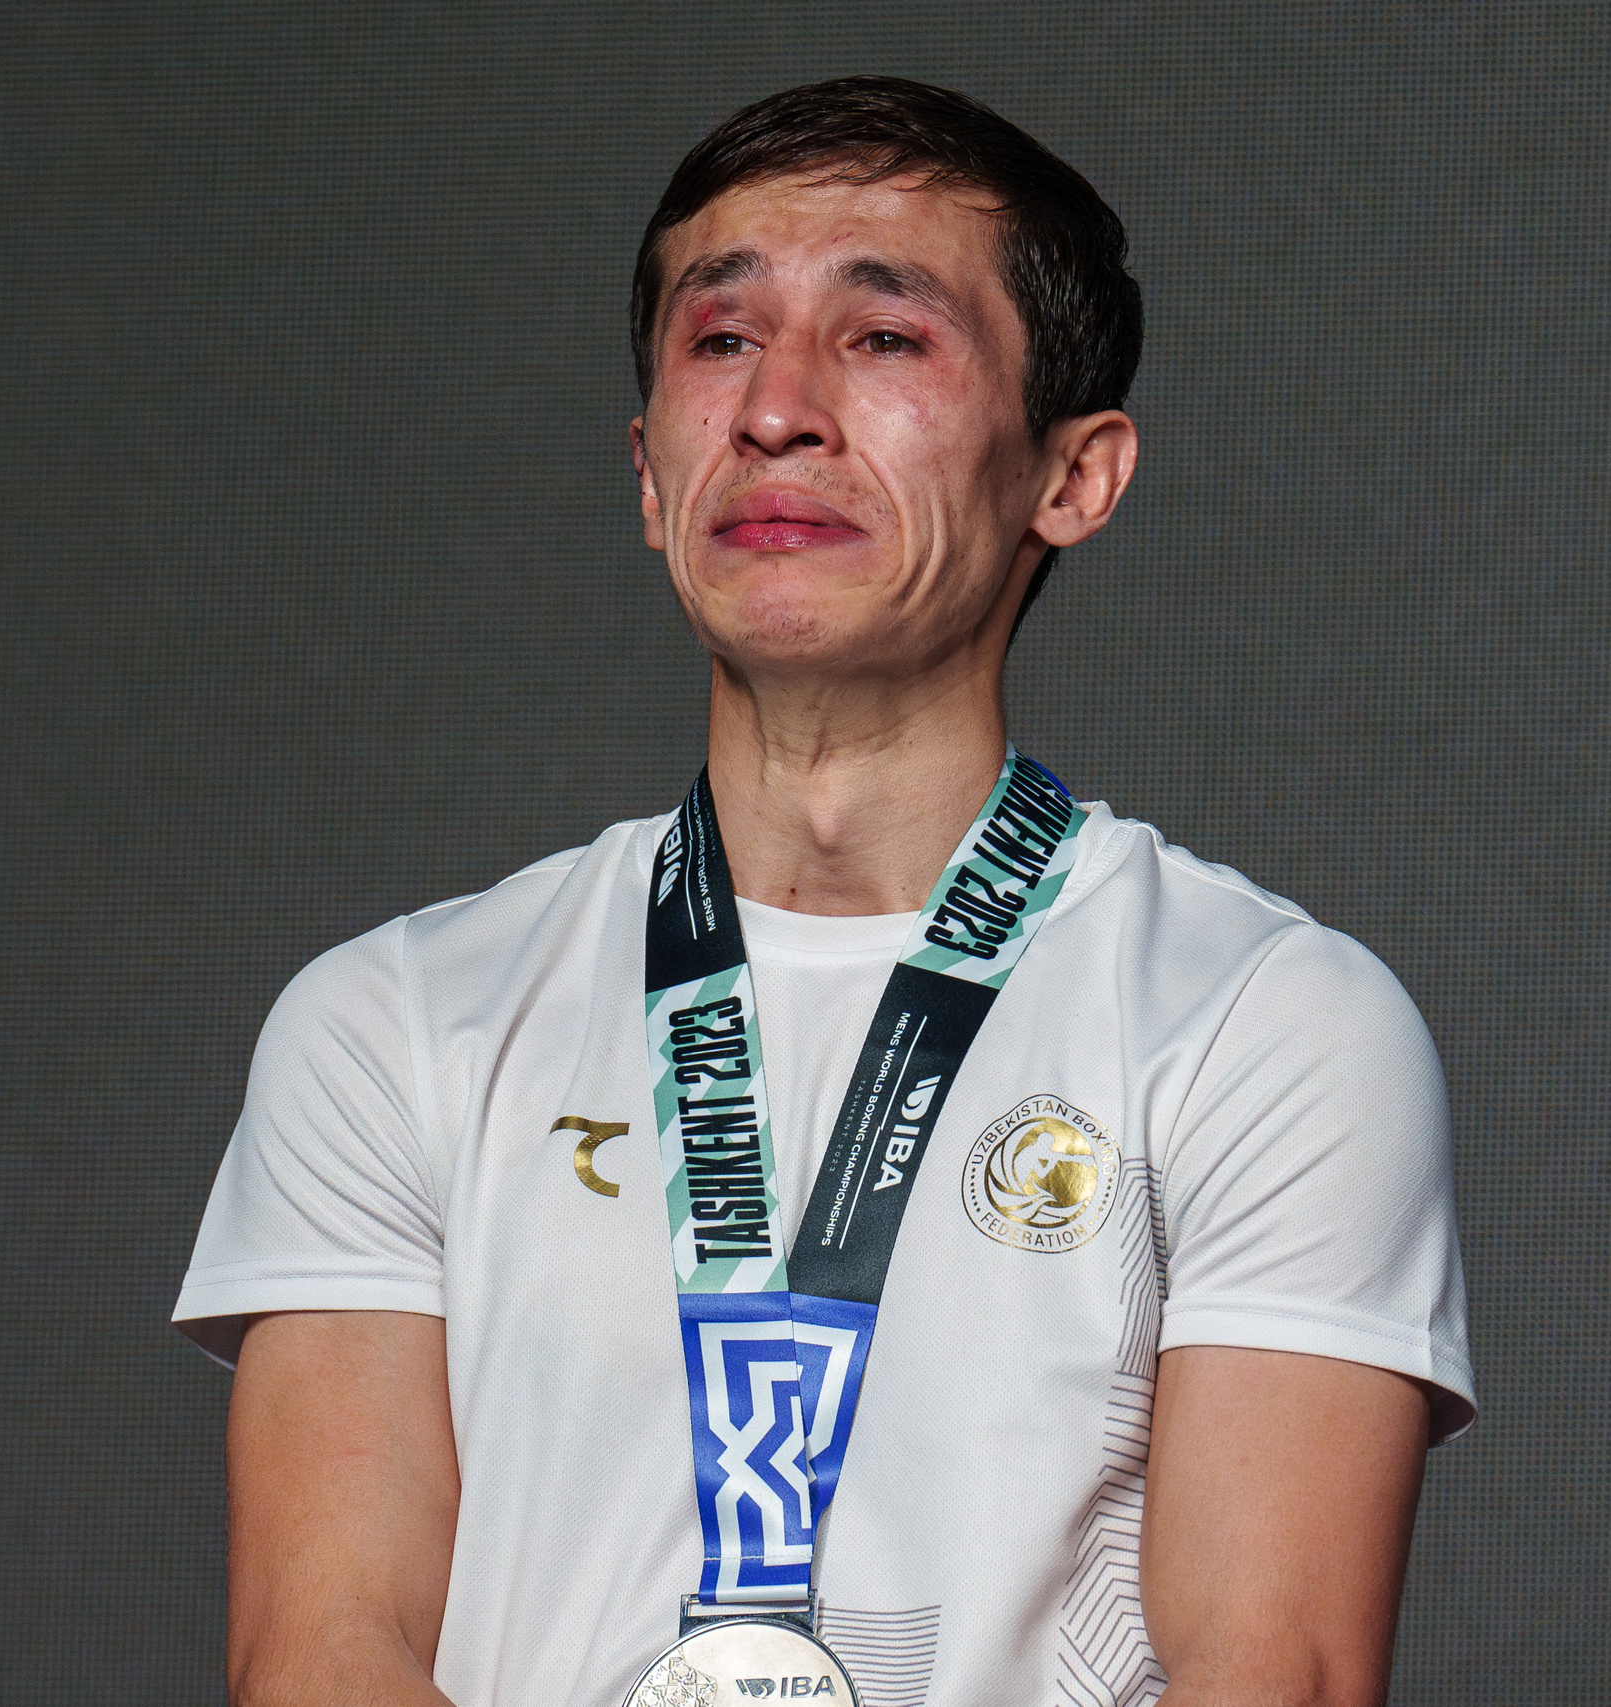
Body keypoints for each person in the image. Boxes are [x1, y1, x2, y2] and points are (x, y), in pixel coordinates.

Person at [176, 76, 1474, 1707]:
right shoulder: (393, 1023)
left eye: (884, 339)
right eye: (721, 340)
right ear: (651, 478)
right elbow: (321, 1650)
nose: (776, 409)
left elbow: (1268, 1672)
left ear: (1073, 477)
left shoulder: (1268, 1021)